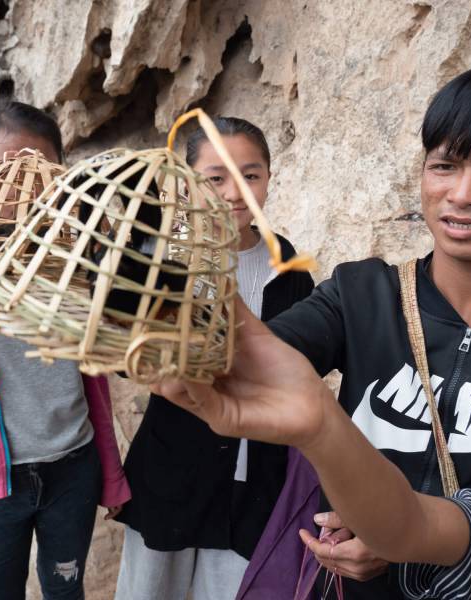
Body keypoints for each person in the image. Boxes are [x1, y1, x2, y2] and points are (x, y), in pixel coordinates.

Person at [221, 52, 471, 599]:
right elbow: (258, 354)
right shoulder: (362, 293)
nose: (462, 194)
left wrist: (405, 533)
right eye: (443, 165)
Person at [154, 299, 471, 599]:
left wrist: (323, 426)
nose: (464, 192)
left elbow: (440, 528)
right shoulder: (362, 293)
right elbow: (245, 366)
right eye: (443, 181)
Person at [0, 99, 131, 600]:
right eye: (1, 172)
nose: (19, 189)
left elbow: (105, 369)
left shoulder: (81, 253)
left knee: (66, 589)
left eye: (35, 171)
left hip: (73, 467)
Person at [114, 117, 316, 600]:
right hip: (172, 472)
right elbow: (122, 352)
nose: (234, 193)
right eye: (215, 178)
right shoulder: (159, 259)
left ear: (269, 178)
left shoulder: (289, 271)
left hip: (254, 484)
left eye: (250, 175)